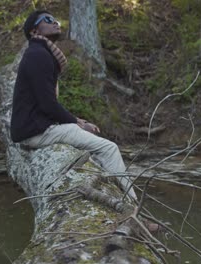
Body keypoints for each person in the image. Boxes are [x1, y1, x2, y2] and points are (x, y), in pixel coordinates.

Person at [10, 10, 137, 200]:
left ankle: (108, 190)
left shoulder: (38, 53)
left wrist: (75, 121)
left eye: (55, 18)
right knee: (109, 148)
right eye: (48, 19)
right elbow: (47, 104)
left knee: (88, 140)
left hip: (34, 128)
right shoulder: (38, 55)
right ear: (35, 30)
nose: (55, 22)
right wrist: (77, 123)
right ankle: (130, 206)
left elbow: (45, 103)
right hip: (35, 132)